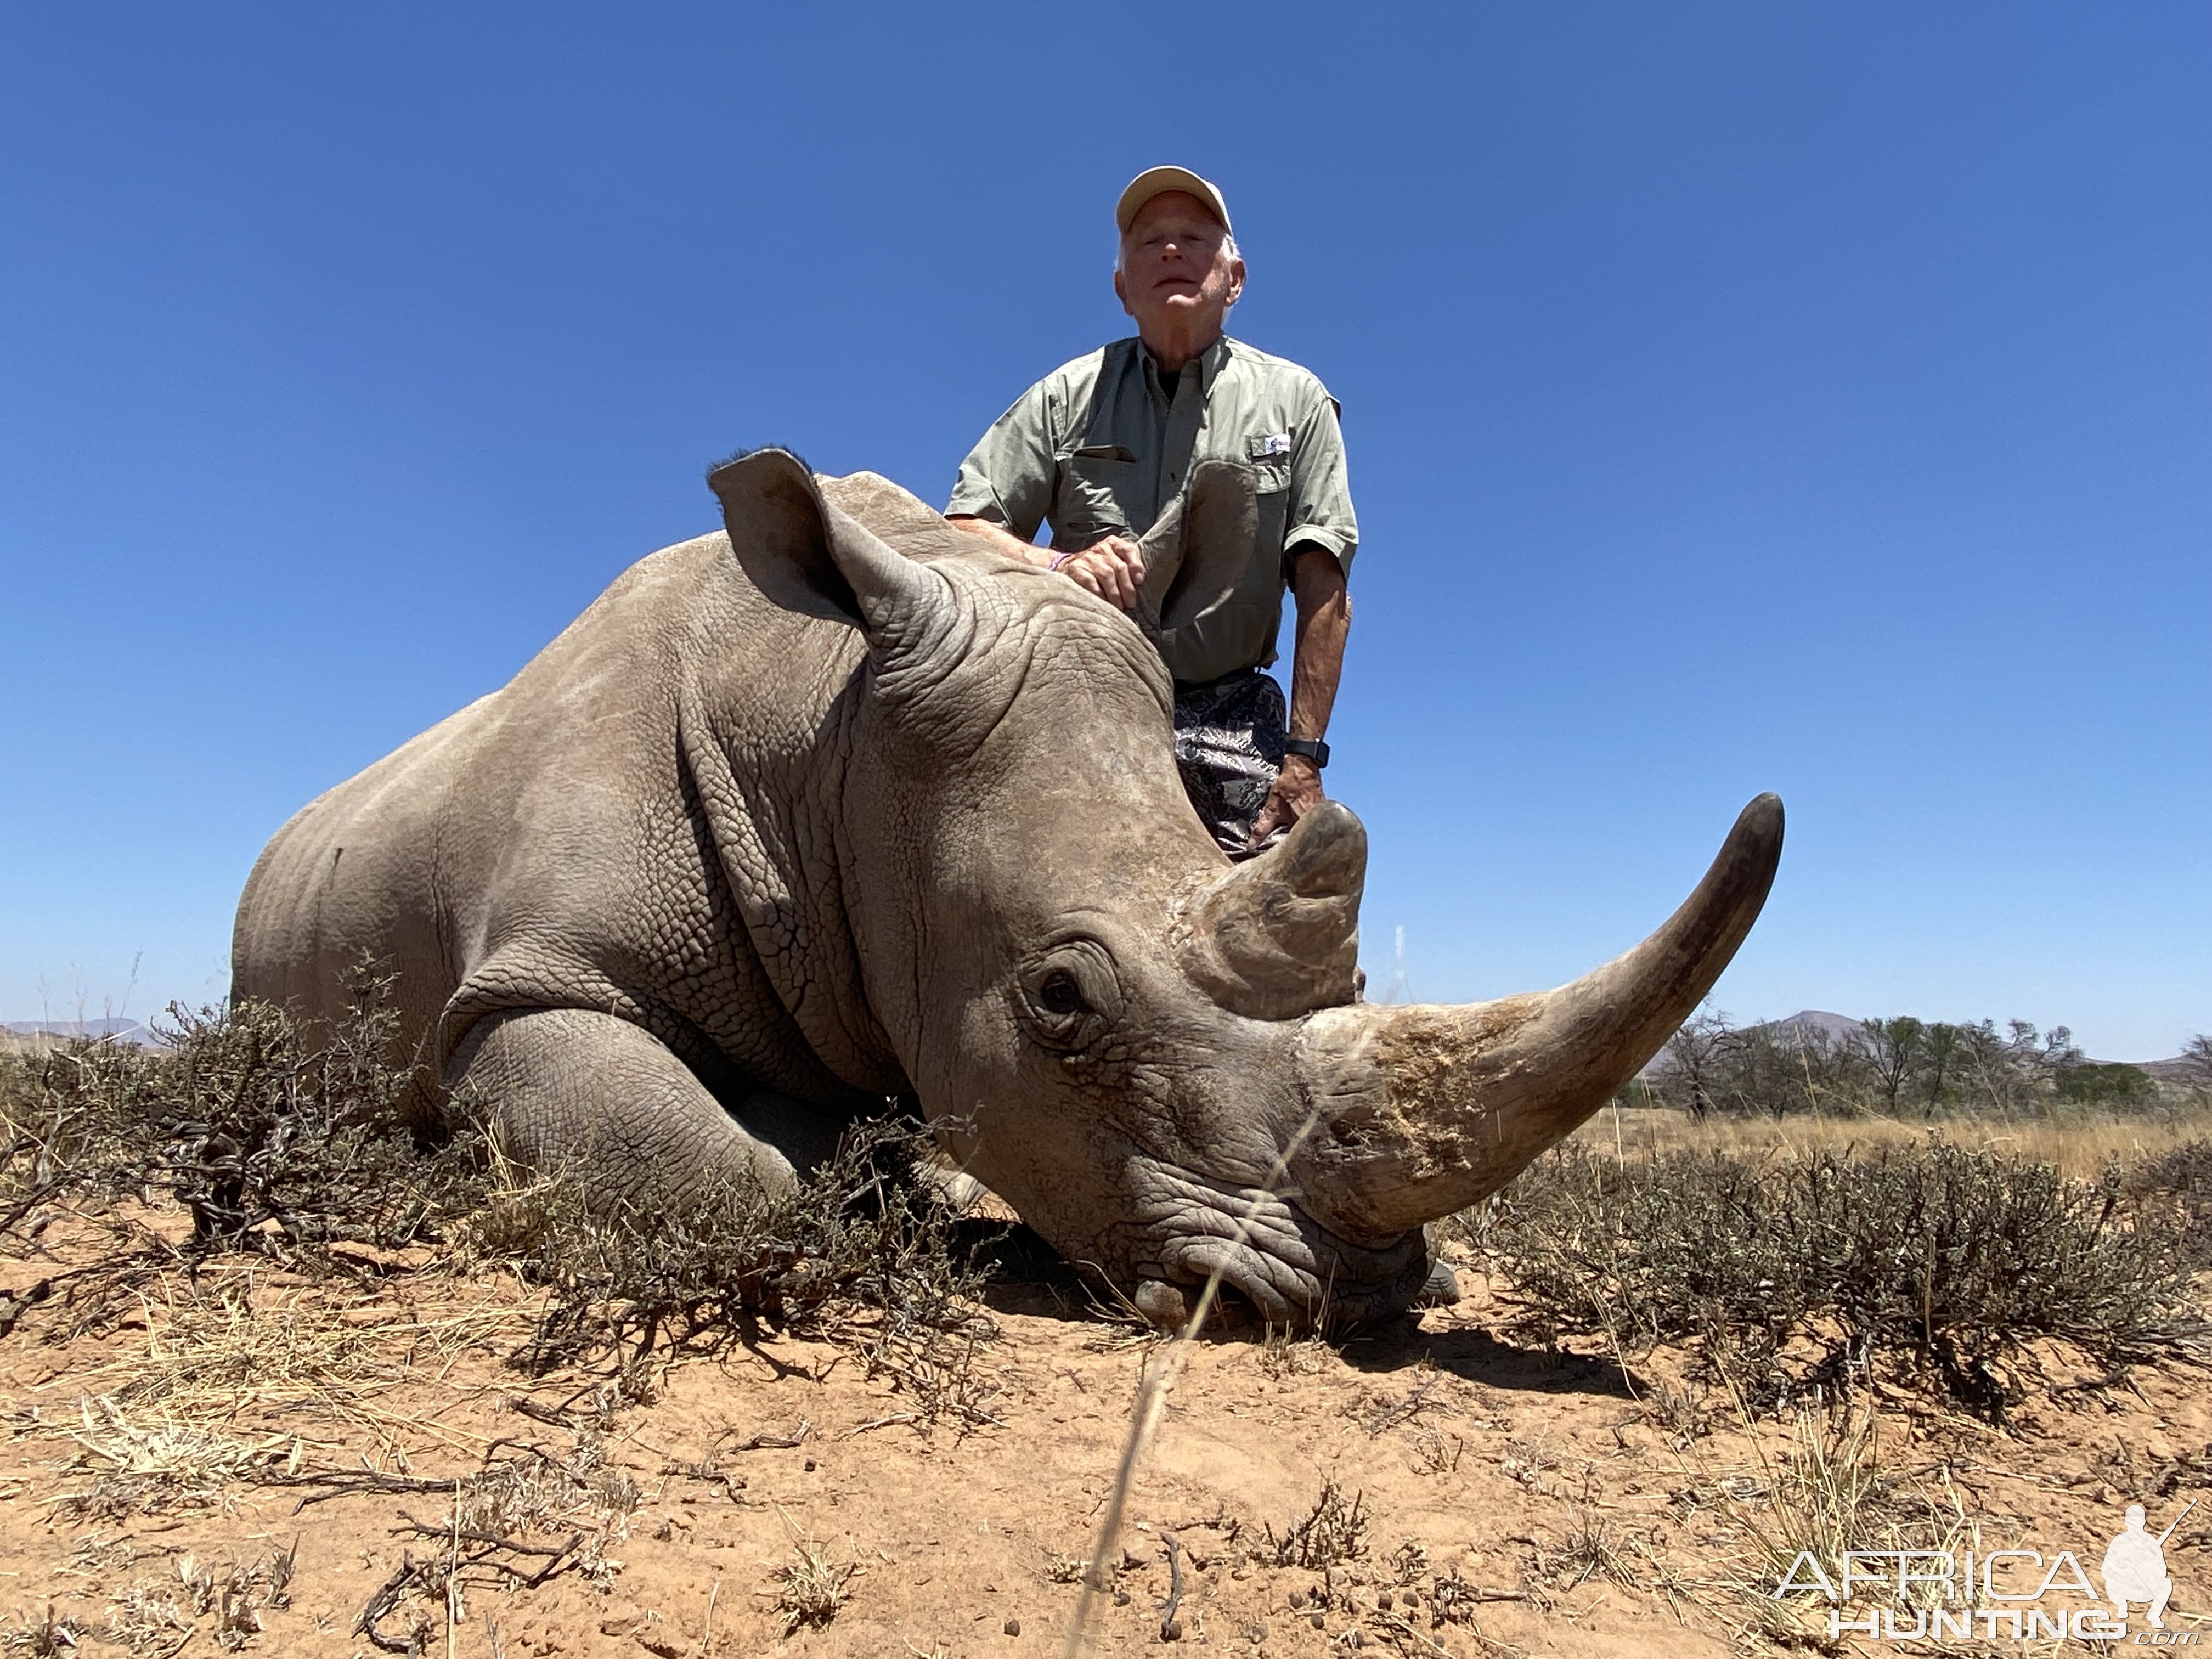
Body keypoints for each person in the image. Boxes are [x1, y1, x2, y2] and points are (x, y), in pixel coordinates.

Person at [946, 166, 1358, 857]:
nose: (1172, 251)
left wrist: (1304, 758)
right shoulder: (1062, 397)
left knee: (1273, 927)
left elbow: (1324, 584)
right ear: (1121, 289)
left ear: (1236, 279)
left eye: (1195, 237)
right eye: (1150, 241)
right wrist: (1059, 564)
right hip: (1078, 692)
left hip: (1231, 710)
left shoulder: (1297, 401)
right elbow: (961, 531)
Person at [2101, 1504, 2175, 1629]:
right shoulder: (2119, 1541)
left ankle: (2154, 1615)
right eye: (2132, 1521)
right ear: (2126, 1522)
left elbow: (2162, 1570)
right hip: (2123, 1589)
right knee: (2110, 1583)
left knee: (2167, 1584)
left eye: (2138, 1521)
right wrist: (2124, 1573)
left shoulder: (2151, 1542)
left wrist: (2148, 1570)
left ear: (2143, 1522)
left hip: (2145, 1590)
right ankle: (2122, 1606)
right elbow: (2106, 1570)